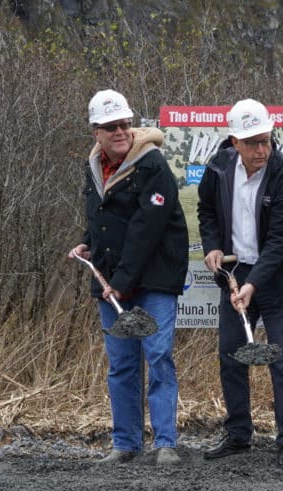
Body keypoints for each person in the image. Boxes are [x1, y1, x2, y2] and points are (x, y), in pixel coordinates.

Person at [68, 89, 189, 465]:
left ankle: (165, 442)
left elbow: (145, 229)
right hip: (113, 284)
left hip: (152, 281)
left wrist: (120, 279)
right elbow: (103, 219)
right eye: (110, 126)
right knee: (121, 363)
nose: (120, 131)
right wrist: (88, 244)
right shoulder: (93, 167)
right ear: (95, 131)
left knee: (158, 356)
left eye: (124, 124)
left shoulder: (152, 165)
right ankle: (125, 444)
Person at [196, 99, 283, 470]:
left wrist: (254, 285)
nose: (262, 150)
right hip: (235, 274)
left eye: (266, 140)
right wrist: (213, 245)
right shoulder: (218, 168)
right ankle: (239, 434)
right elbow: (207, 210)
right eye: (252, 143)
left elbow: (280, 242)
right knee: (231, 354)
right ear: (234, 143)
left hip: (279, 280)